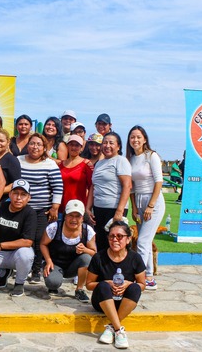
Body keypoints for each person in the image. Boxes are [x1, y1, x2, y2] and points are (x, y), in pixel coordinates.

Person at [86, 221, 146, 349]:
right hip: (103, 301)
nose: (115, 239)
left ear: (128, 239)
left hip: (123, 302)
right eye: (111, 236)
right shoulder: (99, 257)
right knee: (102, 286)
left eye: (119, 236)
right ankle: (119, 331)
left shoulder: (135, 258)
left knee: (135, 287)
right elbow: (89, 284)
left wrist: (128, 284)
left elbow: (142, 284)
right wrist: (106, 282)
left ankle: (111, 328)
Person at [18, 133, 63, 284]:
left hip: (41, 209)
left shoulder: (50, 164)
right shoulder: (19, 161)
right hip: (21, 209)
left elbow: (57, 186)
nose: (35, 147)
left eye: (38, 144)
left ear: (44, 148)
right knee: (21, 238)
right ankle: (18, 268)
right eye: (32, 143)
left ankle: (36, 270)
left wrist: (55, 207)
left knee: (38, 240)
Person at [127, 126, 165, 291]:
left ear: (144, 139)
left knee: (142, 241)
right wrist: (135, 208)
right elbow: (132, 187)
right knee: (145, 242)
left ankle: (140, 277)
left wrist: (150, 205)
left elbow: (159, 181)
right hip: (139, 201)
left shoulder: (151, 156)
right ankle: (149, 276)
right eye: (132, 137)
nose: (135, 140)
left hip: (153, 200)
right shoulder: (131, 159)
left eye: (138, 137)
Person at [40, 199, 96, 302]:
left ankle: (79, 289)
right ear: (65, 215)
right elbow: (43, 244)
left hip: (73, 266)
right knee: (53, 283)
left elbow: (94, 253)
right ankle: (53, 281)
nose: (74, 219)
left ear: (82, 218)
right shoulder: (54, 227)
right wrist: (48, 261)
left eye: (77, 216)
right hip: (55, 263)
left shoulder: (88, 231)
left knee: (86, 258)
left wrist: (85, 249)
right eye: (71, 215)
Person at [86, 132, 132, 252]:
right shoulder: (99, 163)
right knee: (101, 242)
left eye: (111, 143)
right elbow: (93, 186)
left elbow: (127, 186)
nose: (107, 145)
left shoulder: (121, 161)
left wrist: (119, 211)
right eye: (105, 143)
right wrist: (88, 208)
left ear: (118, 146)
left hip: (114, 209)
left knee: (115, 242)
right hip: (98, 208)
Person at [59, 135, 93, 213]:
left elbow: (92, 186)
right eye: (71, 144)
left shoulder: (86, 164)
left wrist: (88, 206)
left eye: (77, 145)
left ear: (81, 148)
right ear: (67, 146)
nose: (73, 148)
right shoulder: (60, 165)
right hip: (61, 207)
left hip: (78, 207)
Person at [0, 129, 21, 203]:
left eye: (1, 141)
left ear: (8, 142)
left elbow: (16, 183)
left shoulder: (12, 160)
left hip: (2, 201)